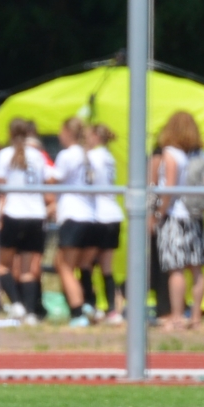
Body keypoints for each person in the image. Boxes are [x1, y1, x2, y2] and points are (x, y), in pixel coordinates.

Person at [152, 110, 204, 329]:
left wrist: (158, 213)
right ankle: (196, 317)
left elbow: (169, 187)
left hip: (175, 216)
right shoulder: (201, 154)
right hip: (196, 215)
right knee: (196, 269)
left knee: (176, 269)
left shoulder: (171, 153)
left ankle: (177, 316)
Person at [0, 118, 54, 323]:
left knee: (0, 265)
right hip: (36, 215)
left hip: (13, 213)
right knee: (28, 270)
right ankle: (30, 313)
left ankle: (17, 304)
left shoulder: (5, 154)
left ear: (10, 133)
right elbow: (49, 179)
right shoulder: (38, 155)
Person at [52, 117, 99, 327]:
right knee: (74, 265)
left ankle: (78, 311)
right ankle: (87, 304)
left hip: (73, 215)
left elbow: (54, 178)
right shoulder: (88, 154)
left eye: (61, 131)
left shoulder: (68, 154)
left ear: (68, 133)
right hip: (90, 216)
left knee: (65, 267)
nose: (59, 136)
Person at [86, 123, 125, 323]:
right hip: (113, 213)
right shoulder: (109, 156)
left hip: (98, 213)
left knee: (85, 263)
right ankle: (112, 309)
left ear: (95, 136)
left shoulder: (92, 156)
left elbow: (88, 180)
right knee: (106, 266)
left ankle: (89, 305)